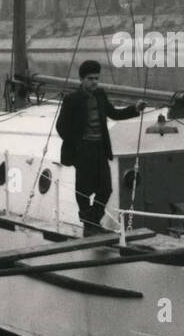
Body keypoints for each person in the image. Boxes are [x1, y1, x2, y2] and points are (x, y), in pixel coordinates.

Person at [55, 60, 144, 237]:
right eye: (90, 79)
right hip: (83, 150)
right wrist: (77, 144)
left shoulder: (100, 95)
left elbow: (114, 114)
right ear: (81, 79)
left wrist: (135, 109)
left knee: (105, 188)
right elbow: (61, 127)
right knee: (84, 189)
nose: (94, 82)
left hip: (100, 149)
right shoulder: (72, 99)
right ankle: (90, 226)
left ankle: (92, 223)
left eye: (96, 78)